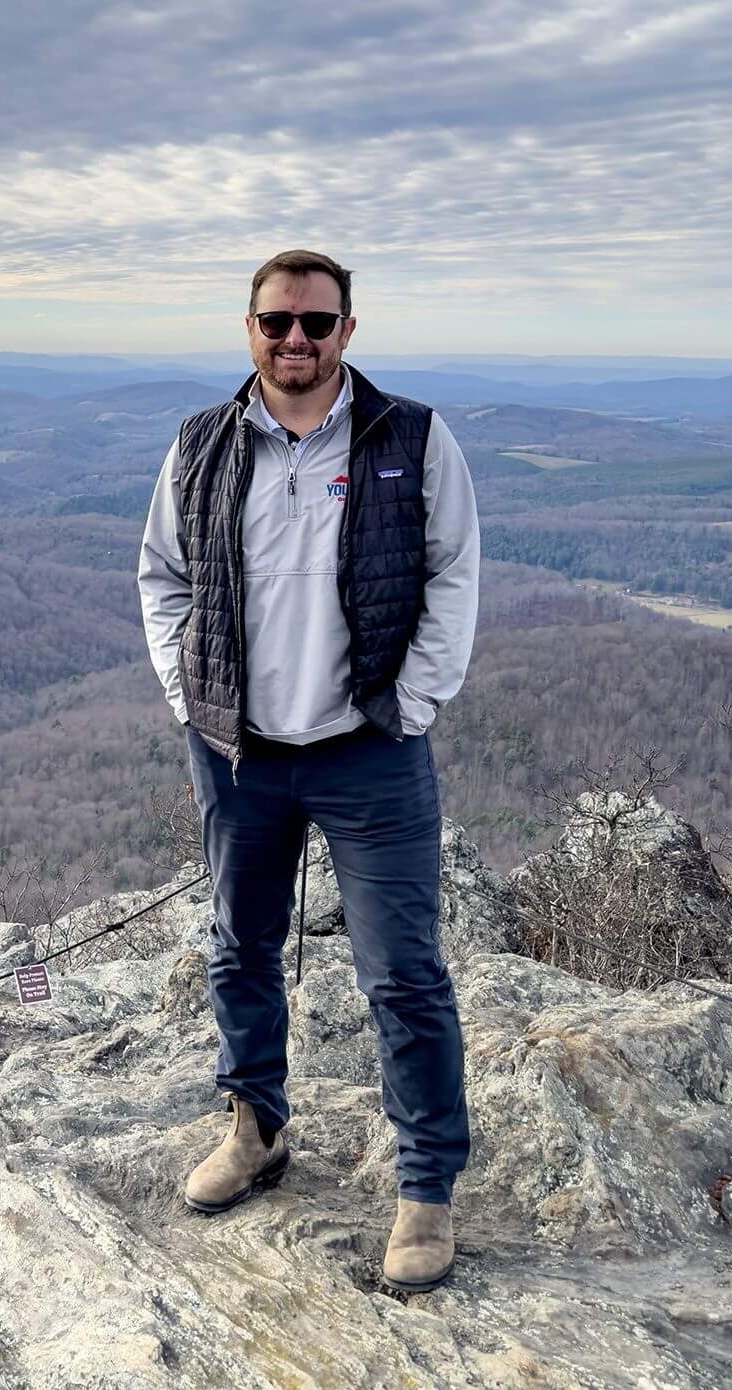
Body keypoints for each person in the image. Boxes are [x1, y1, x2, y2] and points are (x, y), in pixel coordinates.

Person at [135, 248, 480, 1292]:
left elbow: (454, 571)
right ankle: (256, 1128)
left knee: (403, 976)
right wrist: (185, 696)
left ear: (348, 331)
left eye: (316, 324)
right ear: (249, 330)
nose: (297, 341)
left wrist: (411, 706)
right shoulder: (201, 444)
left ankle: (424, 1188)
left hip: (370, 752)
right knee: (239, 944)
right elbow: (162, 577)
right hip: (240, 753)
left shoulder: (409, 438)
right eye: (277, 323)